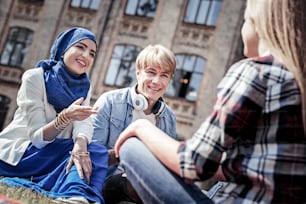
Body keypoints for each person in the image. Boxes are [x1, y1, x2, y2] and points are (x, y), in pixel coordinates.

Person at [114, 0, 306, 203]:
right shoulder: (298, 79)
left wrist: (141, 127)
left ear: (258, 24)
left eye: (244, 21)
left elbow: (194, 164)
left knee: (132, 147)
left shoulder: (256, 72)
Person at [0, 27, 108, 204]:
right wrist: (64, 117)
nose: (86, 56)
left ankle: (78, 197)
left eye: (92, 53)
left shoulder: (83, 86)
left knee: (92, 151)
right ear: (64, 48)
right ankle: (76, 194)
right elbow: (37, 139)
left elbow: (84, 123)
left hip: (45, 155)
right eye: (80, 47)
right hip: (19, 153)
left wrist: (80, 145)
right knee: (92, 153)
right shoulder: (35, 77)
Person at [91, 44, 177, 203]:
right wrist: (130, 153)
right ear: (138, 73)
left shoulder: (169, 118)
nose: (157, 81)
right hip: (108, 181)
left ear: (170, 80)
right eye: (151, 72)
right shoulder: (109, 101)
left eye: (164, 75)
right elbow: (93, 156)